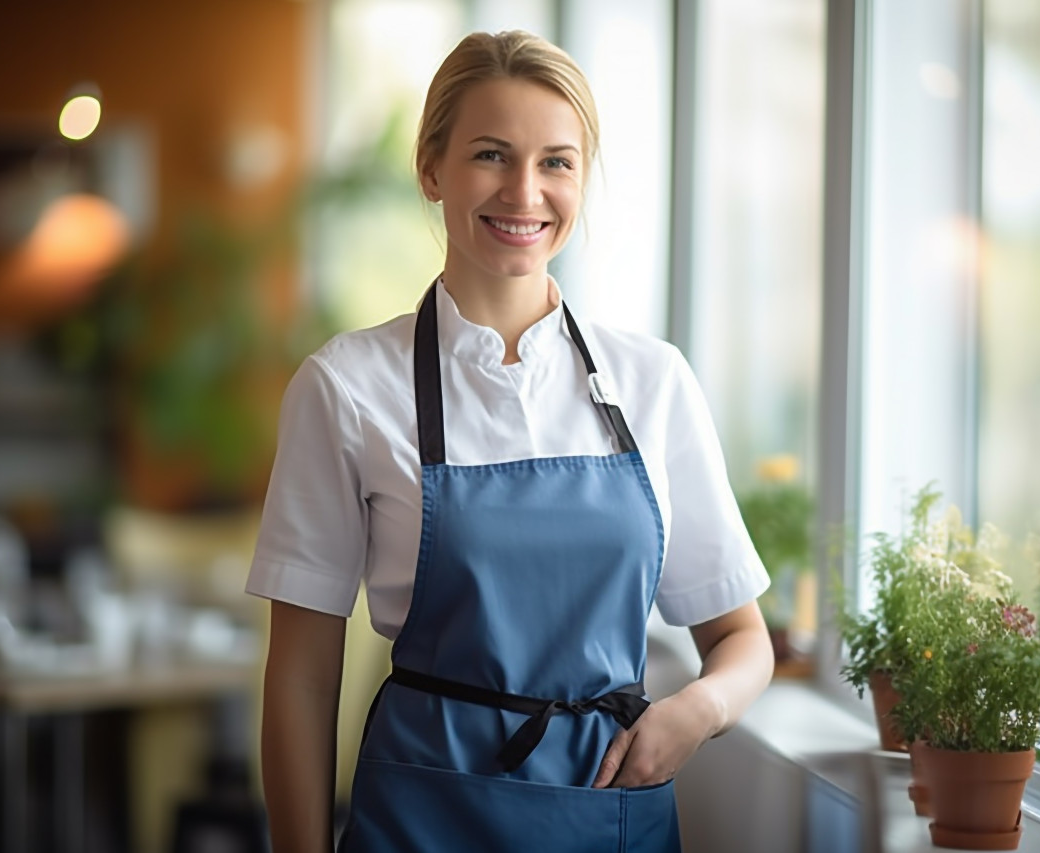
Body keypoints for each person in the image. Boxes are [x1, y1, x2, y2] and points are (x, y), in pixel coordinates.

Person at [248, 30, 775, 853]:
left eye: (557, 162)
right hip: (422, 817)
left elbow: (743, 639)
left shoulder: (653, 383)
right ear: (432, 168)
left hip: (610, 812)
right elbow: (302, 678)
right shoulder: (346, 387)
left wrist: (696, 713)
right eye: (491, 154)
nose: (525, 192)